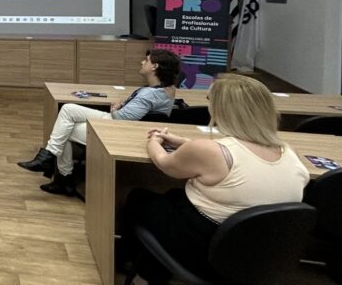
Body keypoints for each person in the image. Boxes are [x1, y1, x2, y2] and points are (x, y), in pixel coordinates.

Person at [121, 74, 310, 285]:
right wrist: (185, 142)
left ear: (221, 109)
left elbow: (164, 162)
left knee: (139, 199)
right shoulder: (289, 153)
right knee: (173, 197)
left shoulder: (210, 151)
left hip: (211, 252)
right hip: (263, 255)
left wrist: (154, 140)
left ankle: (139, 271)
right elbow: (236, 152)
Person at [17, 49, 182, 197]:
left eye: (146, 60)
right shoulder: (164, 90)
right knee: (67, 112)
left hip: (116, 130)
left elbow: (121, 118)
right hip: (129, 128)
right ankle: (54, 165)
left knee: (64, 128)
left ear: (155, 67)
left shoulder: (150, 95)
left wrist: (116, 109)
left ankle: (60, 174)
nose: (141, 62)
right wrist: (124, 104)